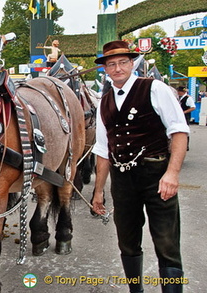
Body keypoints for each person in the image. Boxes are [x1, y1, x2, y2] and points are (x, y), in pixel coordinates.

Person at [91, 40, 189, 293]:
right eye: (111, 64)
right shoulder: (104, 101)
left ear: (132, 63)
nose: (117, 68)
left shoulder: (155, 88)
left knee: (167, 242)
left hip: (156, 174)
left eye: (123, 62)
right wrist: (98, 191)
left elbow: (179, 131)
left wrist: (172, 174)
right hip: (122, 179)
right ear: (105, 69)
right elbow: (103, 149)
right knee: (127, 241)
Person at [176, 86, 195, 151]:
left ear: (181, 92)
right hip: (179, 116)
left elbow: (193, 107)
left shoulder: (188, 98)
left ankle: (186, 145)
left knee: (185, 130)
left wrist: (184, 112)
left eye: (178, 91)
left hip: (185, 116)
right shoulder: (179, 98)